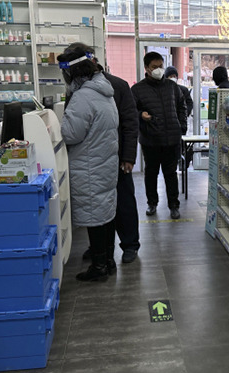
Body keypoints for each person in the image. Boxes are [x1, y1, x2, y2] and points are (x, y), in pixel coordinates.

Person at [66, 43, 141, 264]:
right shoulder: (77, 88)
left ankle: (129, 244)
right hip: (94, 159)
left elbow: (130, 123)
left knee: (123, 202)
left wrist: (128, 157)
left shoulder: (117, 85)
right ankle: (100, 248)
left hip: (116, 158)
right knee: (98, 206)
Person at [59, 48, 120, 282]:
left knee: (95, 217)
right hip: (103, 163)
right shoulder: (104, 92)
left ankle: (99, 266)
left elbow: (71, 134)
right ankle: (109, 260)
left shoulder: (83, 96)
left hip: (89, 166)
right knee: (105, 214)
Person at [131, 52, 187, 220]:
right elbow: (130, 111)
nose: (158, 70)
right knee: (151, 174)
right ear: (146, 68)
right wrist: (141, 115)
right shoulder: (137, 89)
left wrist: (181, 128)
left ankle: (174, 206)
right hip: (151, 140)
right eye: (154, 67)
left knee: (171, 174)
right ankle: (152, 203)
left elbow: (182, 107)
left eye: (160, 66)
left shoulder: (172, 87)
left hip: (171, 140)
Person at [165, 66, 194, 168]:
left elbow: (189, 103)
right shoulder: (164, 91)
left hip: (180, 124)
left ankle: (182, 163)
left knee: (180, 145)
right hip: (167, 126)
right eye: (170, 76)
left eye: (174, 76)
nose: (173, 78)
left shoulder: (183, 90)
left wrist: (184, 114)